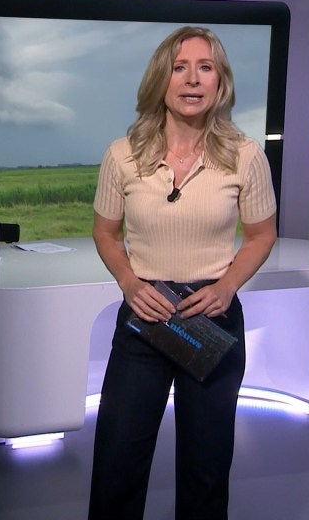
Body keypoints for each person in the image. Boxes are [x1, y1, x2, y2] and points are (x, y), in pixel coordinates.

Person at [87, 26, 277, 520]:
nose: (192, 80)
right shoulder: (122, 155)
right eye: (180, 67)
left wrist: (227, 287)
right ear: (161, 79)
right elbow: (105, 232)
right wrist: (130, 283)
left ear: (220, 82)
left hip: (211, 318)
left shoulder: (246, 156)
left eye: (205, 67)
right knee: (116, 466)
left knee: (205, 473)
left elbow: (261, 235)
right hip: (145, 317)